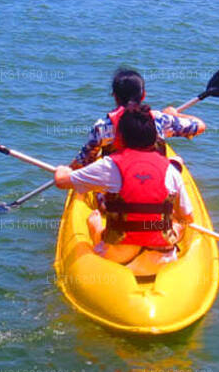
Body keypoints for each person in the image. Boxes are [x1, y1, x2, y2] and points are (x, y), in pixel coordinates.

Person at [54, 103, 195, 276]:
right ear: (154, 138)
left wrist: (63, 171)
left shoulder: (110, 165)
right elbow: (188, 217)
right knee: (176, 224)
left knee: (94, 221)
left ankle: (97, 230)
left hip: (118, 257)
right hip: (161, 258)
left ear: (120, 138)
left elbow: (61, 182)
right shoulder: (171, 170)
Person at [70, 68, 205, 169]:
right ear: (143, 95)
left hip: (115, 197)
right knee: (177, 160)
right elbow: (199, 126)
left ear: (115, 96)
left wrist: (66, 171)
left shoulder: (101, 127)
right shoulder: (160, 120)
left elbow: (84, 161)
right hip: (155, 192)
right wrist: (174, 115)